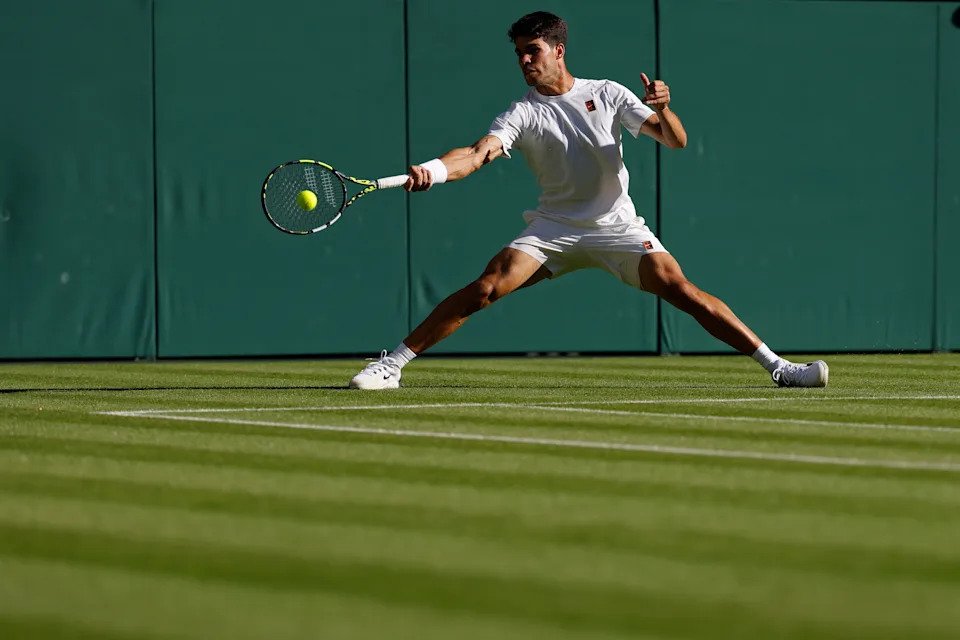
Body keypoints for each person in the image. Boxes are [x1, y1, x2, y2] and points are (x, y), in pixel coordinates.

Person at [349, 11, 828, 390]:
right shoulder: (522, 112)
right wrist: (434, 170)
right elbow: (477, 154)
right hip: (554, 228)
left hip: (616, 226)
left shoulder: (608, 93)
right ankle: (391, 365)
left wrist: (664, 109)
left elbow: (675, 140)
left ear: (558, 50)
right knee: (486, 288)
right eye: (518, 54)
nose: (524, 62)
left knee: (682, 290)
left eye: (532, 51)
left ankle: (780, 368)